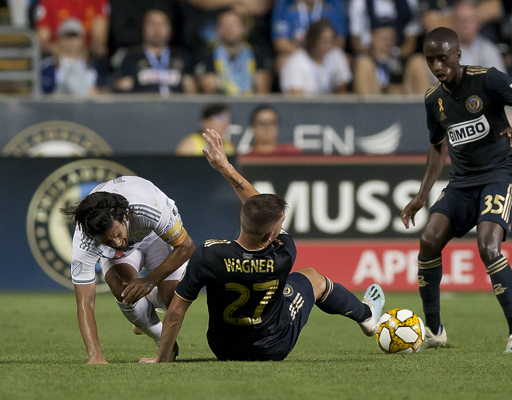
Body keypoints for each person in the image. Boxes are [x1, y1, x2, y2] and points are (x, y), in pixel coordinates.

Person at [139, 129, 385, 363]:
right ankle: (366, 315)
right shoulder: (284, 253)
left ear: (242, 220)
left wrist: (162, 358)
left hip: (223, 348)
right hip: (273, 347)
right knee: (313, 277)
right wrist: (228, 169)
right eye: (280, 224)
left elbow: (175, 312)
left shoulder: (208, 254)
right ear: (270, 236)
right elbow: (259, 204)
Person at [400, 27, 512, 353]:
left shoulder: (488, 79)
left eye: (442, 58)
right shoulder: (433, 99)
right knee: (428, 241)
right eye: (430, 60)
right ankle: (434, 330)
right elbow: (438, 148)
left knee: (488, 244)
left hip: (500, 173)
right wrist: (422, 195)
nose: (437, 66)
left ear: (457, 55)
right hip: (463, 181)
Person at [61, 176, 196, 364]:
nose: (117, 243)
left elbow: (187, 246)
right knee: (122, 288)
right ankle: (162, 340)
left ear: (124, 216)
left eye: (117, 234)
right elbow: (85, 302)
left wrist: (149, 281)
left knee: (172, 298)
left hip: (156, 235)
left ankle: (144, 306)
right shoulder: (85, 238)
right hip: (132, 243)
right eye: (108, 241)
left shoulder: (148, 209)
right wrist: (95, 356)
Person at [114, 9, 196, 95]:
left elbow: (191, 90)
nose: (157, 29)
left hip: (176, 106)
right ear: (143, 27)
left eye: (162, 24)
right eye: (152, 24)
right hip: (142, 106)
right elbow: (123, 88)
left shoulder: (181, 57)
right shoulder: (131, 57)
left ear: (170, 28)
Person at [193, 9, 272, 95]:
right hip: (220, 103)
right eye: (225, 25)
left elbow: (263, 88)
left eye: (234, 25)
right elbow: (206, 85)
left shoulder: (257, 53)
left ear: (244, 28)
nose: (229, 29)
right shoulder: (207, 55)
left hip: (250, 103)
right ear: (217, 29)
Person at [353, 20, 431, 95]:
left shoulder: (401, 60)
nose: (387, 42)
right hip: (373, 102)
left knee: (418, 61)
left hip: (402, 101)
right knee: (363, 63)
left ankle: (426, 107)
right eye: (383, 38)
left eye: (390, 38)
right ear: (372, 38)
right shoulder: (366, 60)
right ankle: (365, 108)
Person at [280, 19, 352, 95]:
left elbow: (342, 92)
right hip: (304, 105)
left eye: (330, 40)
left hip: (329, 105)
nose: (327, 45)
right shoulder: (296, 61)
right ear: (312, 39)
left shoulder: (336, 56)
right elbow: (296, 99)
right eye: (323, 40)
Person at [41, 18, 108, 96]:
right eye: (67, 36)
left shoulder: (91, 64)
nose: (71, 40)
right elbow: (45, 92)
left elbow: (104, 87)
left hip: (88, 106)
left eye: (75, 36)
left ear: (82, 39)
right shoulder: (49, 65)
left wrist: (98, 92)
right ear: (60, 38)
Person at [35, 0, 109, 58]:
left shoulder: (97, 1)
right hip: (56, 58)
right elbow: (42, 39)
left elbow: (99, 37)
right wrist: (66, 50)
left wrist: (80, 51)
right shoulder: (49, 1)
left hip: (87, 57)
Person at [451, 1, 506, 73]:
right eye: (461, 20)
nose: (465, 25)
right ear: (453, 22)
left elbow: (501, 82)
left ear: (477, 23)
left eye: (470, 20)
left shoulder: (490, 51)